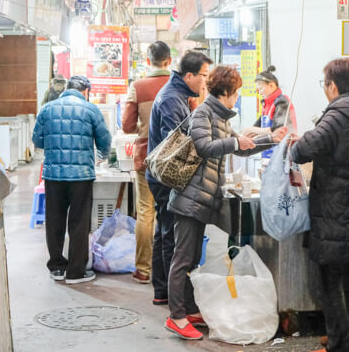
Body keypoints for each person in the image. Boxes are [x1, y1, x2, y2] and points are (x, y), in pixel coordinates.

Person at [165, 66, 287, 340]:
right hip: (189, 197)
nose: (238, 97)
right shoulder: (203, 113)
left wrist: (270, 139)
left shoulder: (220, 118)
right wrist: (235, 142)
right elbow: (204, 146)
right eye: (237, 92)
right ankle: (176, 316)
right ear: (227, 93)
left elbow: (240, 145)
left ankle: (188, 309)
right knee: (182, 258)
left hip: (202, 197)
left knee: (193, 257)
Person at [289, 58, 349, 352]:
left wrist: (295, 141)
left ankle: (341, 346)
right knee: (346, 278)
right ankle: (340, 337)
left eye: (324, 83)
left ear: (332, 85)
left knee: (330, 282)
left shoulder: (336, 116)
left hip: (335, 208)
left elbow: (301, 151)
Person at [32, 76, 112, 285]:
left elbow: (37, 139)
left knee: (55, 221)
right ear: (85, 91)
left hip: (53, 175)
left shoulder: (48, 108)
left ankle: (57, 267)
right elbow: (105, 139)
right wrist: (102, 155)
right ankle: (76, 272)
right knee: (79, 222)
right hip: (81, 176)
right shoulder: (90, 109)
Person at [147, 51, 212, 306]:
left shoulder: (178, 95)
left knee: (163, 233)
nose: (204, 82)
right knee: (169, 236)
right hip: (165, 177)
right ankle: (174, 300)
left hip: (160, 176)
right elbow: (174, 145)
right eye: (203, 76)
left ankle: (161, 291)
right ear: (189, 75)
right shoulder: (172, 100)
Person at [121, 41, 172, 285]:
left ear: (148, 61)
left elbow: (127, 126)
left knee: (145, 211)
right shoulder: (179, 85)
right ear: (169, 61)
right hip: (174, 160)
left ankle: (143, 269)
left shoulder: (138, 87)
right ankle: (170, 267)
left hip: (145, 157)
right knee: (170, 212)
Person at [243, 65, 297, 160]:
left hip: (282, 155)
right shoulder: (267, 105)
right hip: (269, 155)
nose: (259, 93)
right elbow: (256, 127)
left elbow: (278, 131)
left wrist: (251, 129)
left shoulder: (282, 102)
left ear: (271, 85)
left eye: (261, 89)